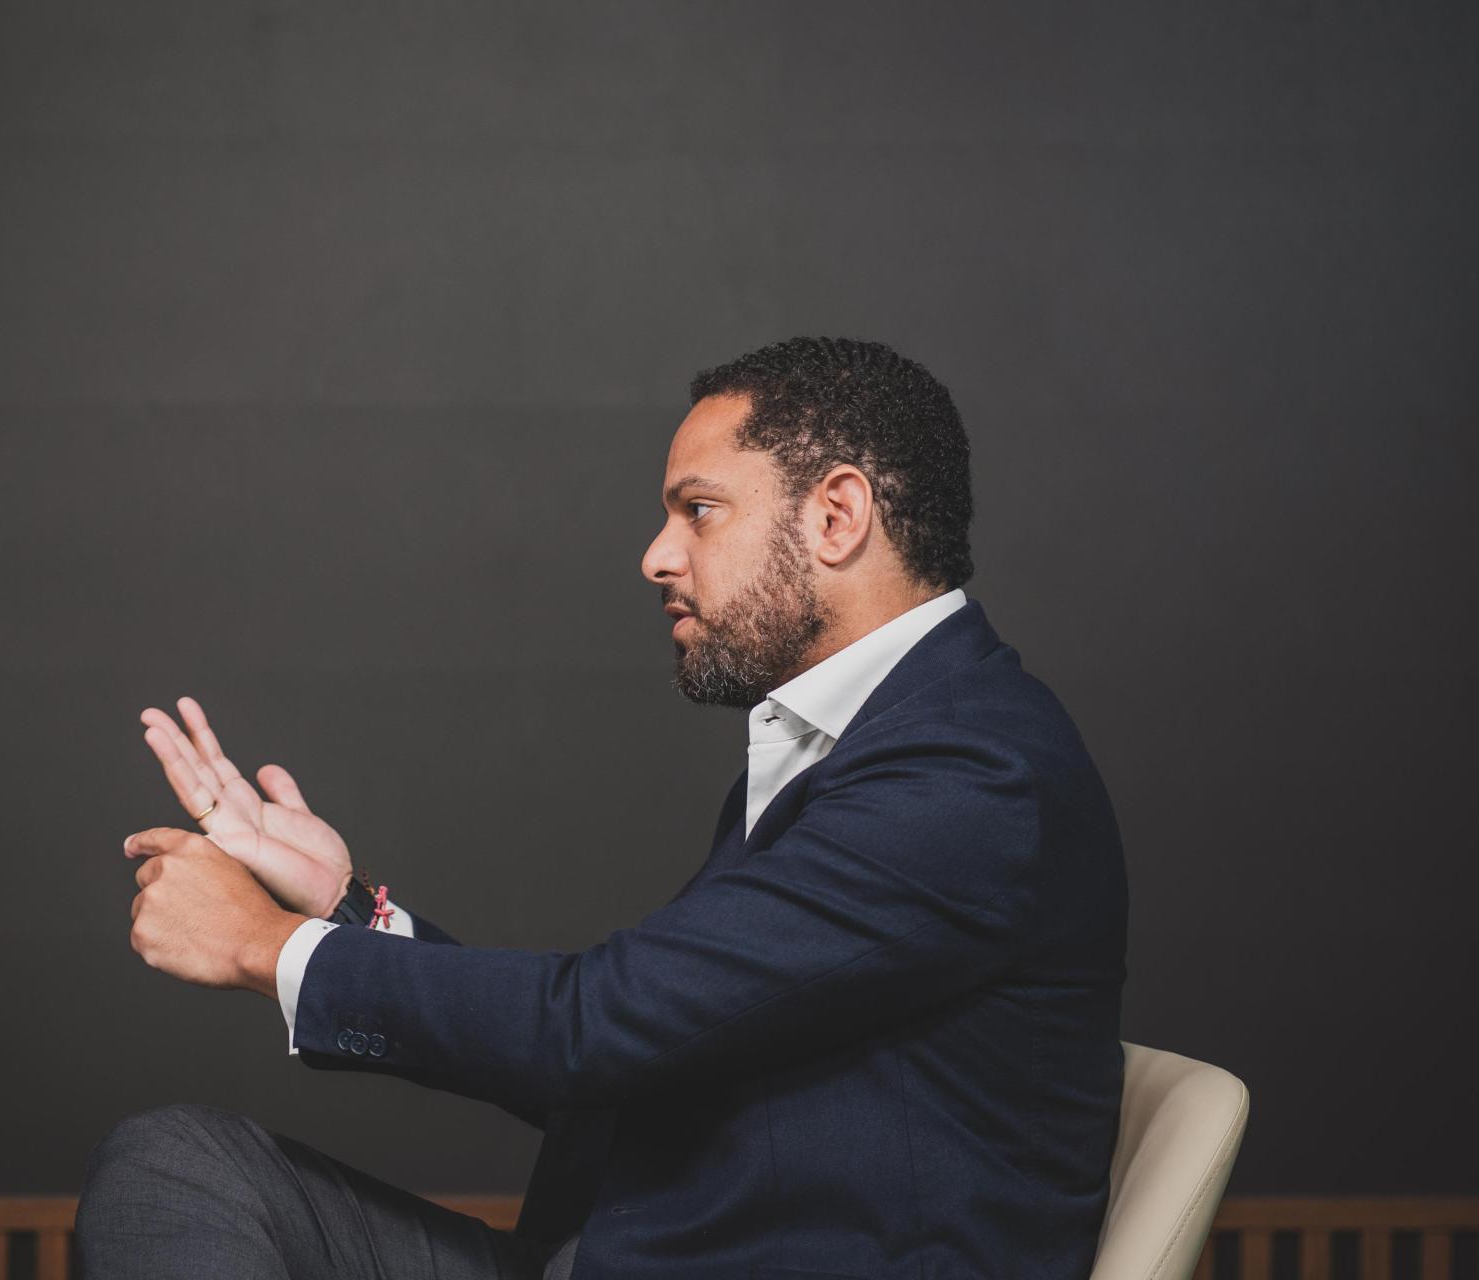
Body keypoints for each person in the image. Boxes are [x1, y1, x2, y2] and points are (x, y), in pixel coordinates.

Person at [75, 336, 1129, 1280]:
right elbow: (637, 1055)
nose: (656, 555)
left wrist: (266, 942)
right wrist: (345, 908)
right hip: (619, 1252)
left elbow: (601, 1023)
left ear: (837, 515)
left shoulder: (967, 769)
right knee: (180, 1164)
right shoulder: (862, 743)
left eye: (698, 509)